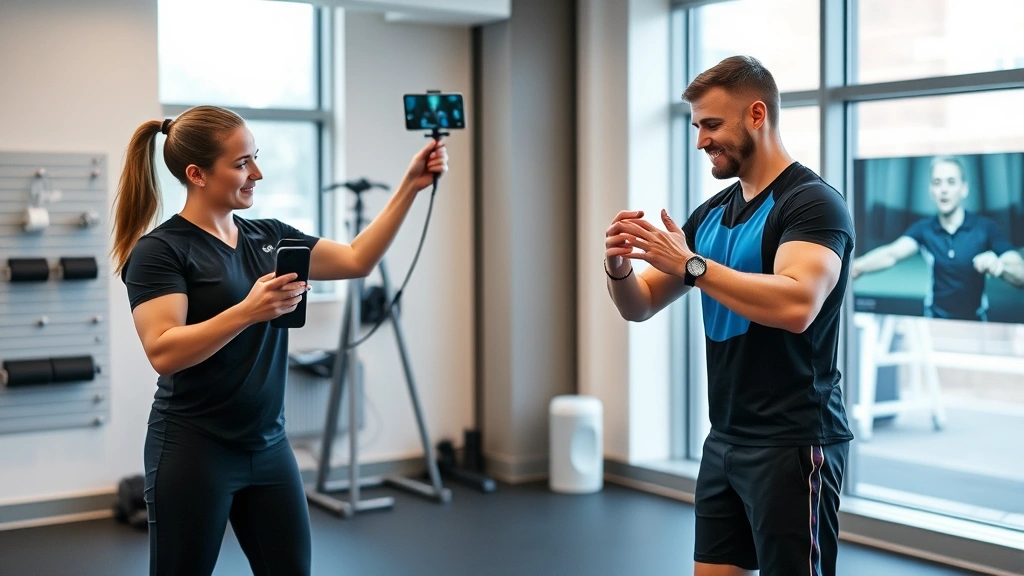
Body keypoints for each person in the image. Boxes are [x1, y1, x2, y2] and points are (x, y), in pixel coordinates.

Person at [111, 105, 447, 576]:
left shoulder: (268, 237)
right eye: (242, 163)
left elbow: (355, 259)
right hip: (194, 451)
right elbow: (164, 351)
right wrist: (248, 311)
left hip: (269, 447)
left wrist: (409, 186)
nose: (257, 174)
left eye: (256, 158)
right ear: (197, 174)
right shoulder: (161, 251)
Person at [605, 56, 854, 576]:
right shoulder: (712, 214)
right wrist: (619, 267)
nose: (700, 141)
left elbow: (796, 304)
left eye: (712, 125)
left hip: (793, 442)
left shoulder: (811, 205)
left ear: (757, 115)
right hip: (725, 440)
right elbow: (641, 305)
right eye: (697, 126)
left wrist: (691, 265)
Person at [851, 155, 1024, 321]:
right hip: (934, 319)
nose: (944, 190)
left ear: (964, 189)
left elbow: (1020, 274)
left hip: (976, 320)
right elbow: (891, 254)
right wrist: (856, 268)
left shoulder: (985, 228)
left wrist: (1000, 267)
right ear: (931, 190)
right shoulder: (924, 228)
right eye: (937, 182)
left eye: (951, 182)